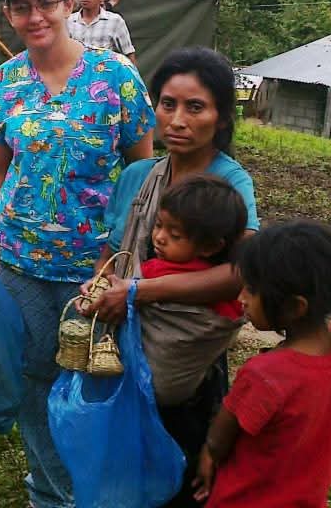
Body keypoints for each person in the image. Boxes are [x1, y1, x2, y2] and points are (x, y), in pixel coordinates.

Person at [0, 0, 155, 508]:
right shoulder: (5, 82)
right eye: (22, 6)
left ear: (67, 3)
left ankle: (96, 488)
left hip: (95, 269)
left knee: (94, 381)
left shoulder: (114, 78)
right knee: (33, 378)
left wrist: (121, 261)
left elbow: (140, 176)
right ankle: (50, 493)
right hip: (21, 263)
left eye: (46, 3)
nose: (36, 16)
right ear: (9, 14)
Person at [80, 45, 260, 508]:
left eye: (195, 107)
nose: (178, 119)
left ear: (221, 118)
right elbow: (112, 253)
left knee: (176, 474)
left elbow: (240, 274)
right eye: (168, 104)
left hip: (186, 366)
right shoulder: (138, 175)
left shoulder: (230, 182)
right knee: (123, 471)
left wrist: (138, 292)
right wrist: (99, 283)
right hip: (123, 354)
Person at [194, 221, 331, 507]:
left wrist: (208, 454)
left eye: (251, 290)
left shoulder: (265, 374)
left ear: (295, 307)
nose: (241, 297)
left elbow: (219, 440)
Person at [142, 174, 247, 321]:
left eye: (175, 235)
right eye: (158, 225)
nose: (159, 237)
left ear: (210, 247)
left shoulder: (155, 271)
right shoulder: (225, 289)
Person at [66, 0, 136, 63]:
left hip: (103, 75)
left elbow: (128, 53)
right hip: (76, 74)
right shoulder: (69, 21)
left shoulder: (115, 21)